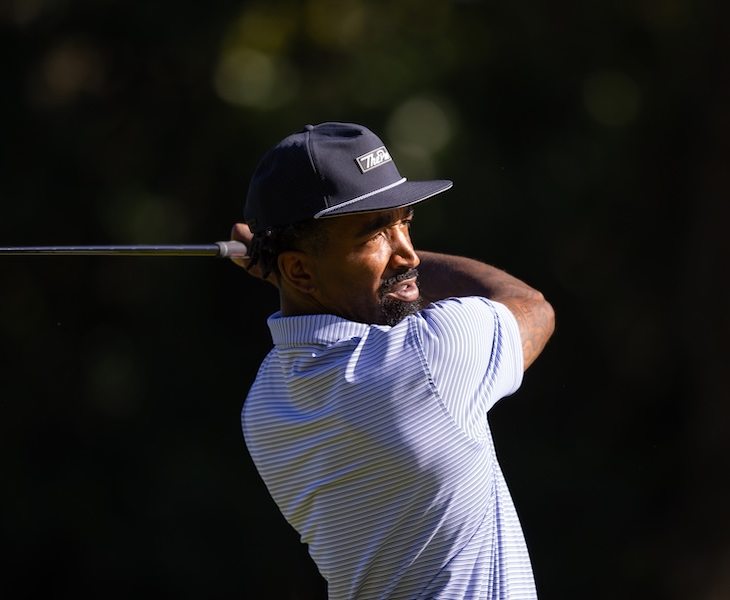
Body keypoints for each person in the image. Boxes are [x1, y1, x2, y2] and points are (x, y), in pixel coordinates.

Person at [229, 122, 555, 599]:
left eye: (405, 223)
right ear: (299, 270)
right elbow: (531, 307)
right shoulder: (430, 355)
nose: (409, 255)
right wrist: (275, 270)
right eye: (377, 233)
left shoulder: (263, 407)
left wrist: (286, 273)